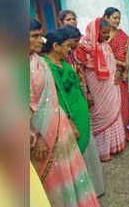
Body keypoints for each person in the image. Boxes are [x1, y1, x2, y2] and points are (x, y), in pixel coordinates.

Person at [30, 19, 100, 207]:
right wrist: (37, 136)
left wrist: (67, 121)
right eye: (35, 36)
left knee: (68, 171)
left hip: (59, 125)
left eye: (40, 35)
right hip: (41, 132)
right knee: (53, 175)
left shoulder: (38, 62)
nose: (40, 40)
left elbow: (53, 97)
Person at [41, 28, 105, 197]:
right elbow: (58, 99)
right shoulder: (48, 68)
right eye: (67, 46)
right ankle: (82, 194)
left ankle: (93, 189)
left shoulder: (63, 63)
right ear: (55, 46)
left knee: (89, 153)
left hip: (81, 115)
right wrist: (69, 122)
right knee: (76, 156)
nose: (70, 50)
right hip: (70, 120)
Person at [76, 17, 127, 162]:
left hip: (110, 86)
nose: (107, 36)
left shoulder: (105, 45)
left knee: (112, 112)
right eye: (104, 33)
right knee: (99, 114)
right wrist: (88, 92)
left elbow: (112, 63)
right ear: (96, 31)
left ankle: (113, 147)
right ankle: (101, 152)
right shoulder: (84, 48)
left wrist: (117, 72)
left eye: (108, 32)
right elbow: (80, 72)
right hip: (95, 89)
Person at [104, 7, 129, 142]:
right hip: (107, 75)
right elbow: (103, 56)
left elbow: (126, 54)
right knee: (111, 104)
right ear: (106, 17)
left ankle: (125, 131)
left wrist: (126, 69)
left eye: (119, 18)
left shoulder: (122, 35)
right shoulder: (102, 35)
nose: (117, 21)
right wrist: (120, 64)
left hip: (121, 75)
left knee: (123, 103)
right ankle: (115, 136)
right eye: (114, 18)